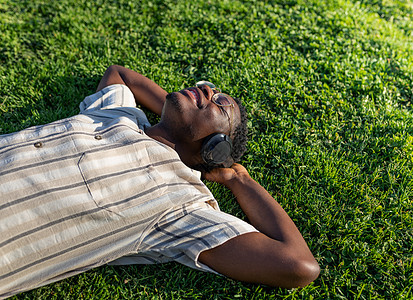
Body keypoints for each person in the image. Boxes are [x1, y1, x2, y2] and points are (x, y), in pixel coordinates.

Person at [0, 65, 319, 297]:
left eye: (221, 103)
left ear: (217, 146)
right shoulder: (119, 114)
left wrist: (238, 177)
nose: (208, 89)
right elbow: (120, 75)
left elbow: (298, 265)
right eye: (208, 87)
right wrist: (183, 114)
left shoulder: (180, 203)